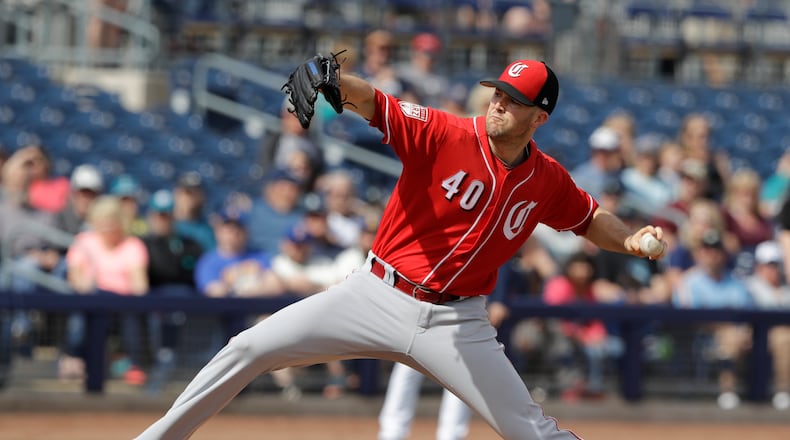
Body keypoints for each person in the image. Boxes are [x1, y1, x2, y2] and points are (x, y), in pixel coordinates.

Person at [135, 58, 668, 440]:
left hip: (458, 324)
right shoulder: (445, 133)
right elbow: (377, 104)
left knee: (531, 430)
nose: (499, 103)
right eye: (499, 92)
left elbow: (589, 217)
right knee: (248, 349)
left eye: (515, 101)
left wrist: (632, 238)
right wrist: (332, 77)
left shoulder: (546, 180)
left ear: (539, 118)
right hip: (376, 294)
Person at [672, 229, 754, 410]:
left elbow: (748, 313)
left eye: (716, 249)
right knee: (730, 337)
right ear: (699, 253)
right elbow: (686, 316)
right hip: (701, 337)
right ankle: (728, 390)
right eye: (707, 249)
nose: (712, 254)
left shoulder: (735, 282)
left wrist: (745, 331)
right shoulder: (688, 281)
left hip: (740, 337)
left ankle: (779, 391)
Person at [745, 240, 790, 410]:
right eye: (768, 265)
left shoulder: (786, 289)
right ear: (758, 265)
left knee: (783, 338)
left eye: (776, 265)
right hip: (753, 337)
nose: (773, 269)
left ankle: (782, 392)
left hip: (778, 338)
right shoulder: (749, 286)